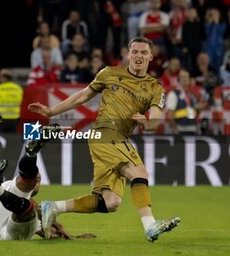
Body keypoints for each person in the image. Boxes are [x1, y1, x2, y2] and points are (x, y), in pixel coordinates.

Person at [28, 36, 181, 242]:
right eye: (135, 51)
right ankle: (150, 225)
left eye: (144, 53)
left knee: (110, 202)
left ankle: (53, 207)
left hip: (119, 137)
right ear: (128, 54)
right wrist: (52, 111)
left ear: (151, 57)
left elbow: (154, 120)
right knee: (138, 171)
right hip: (104, 133)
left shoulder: (155, 88)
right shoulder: (109, 73)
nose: (138, 56)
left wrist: (146, 121)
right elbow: (82, 95)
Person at [0, 124, 95, 240]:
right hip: (6, 235)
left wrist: (55, 224)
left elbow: (39, 210)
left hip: (0, 213)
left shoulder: (10, 185)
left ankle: (31, 154)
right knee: (28, 211)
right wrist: (69, 236)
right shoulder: (32, 213)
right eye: (37, 180)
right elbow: (49, 233)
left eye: (38, 180)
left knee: (25, 184)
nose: (37, 183)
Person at [0, 69, 23, 133]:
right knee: (12, 139)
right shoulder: (18, 88)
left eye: (0, 77)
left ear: (4, 77)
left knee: (0, 137)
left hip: (0, 119)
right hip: (14, 119)